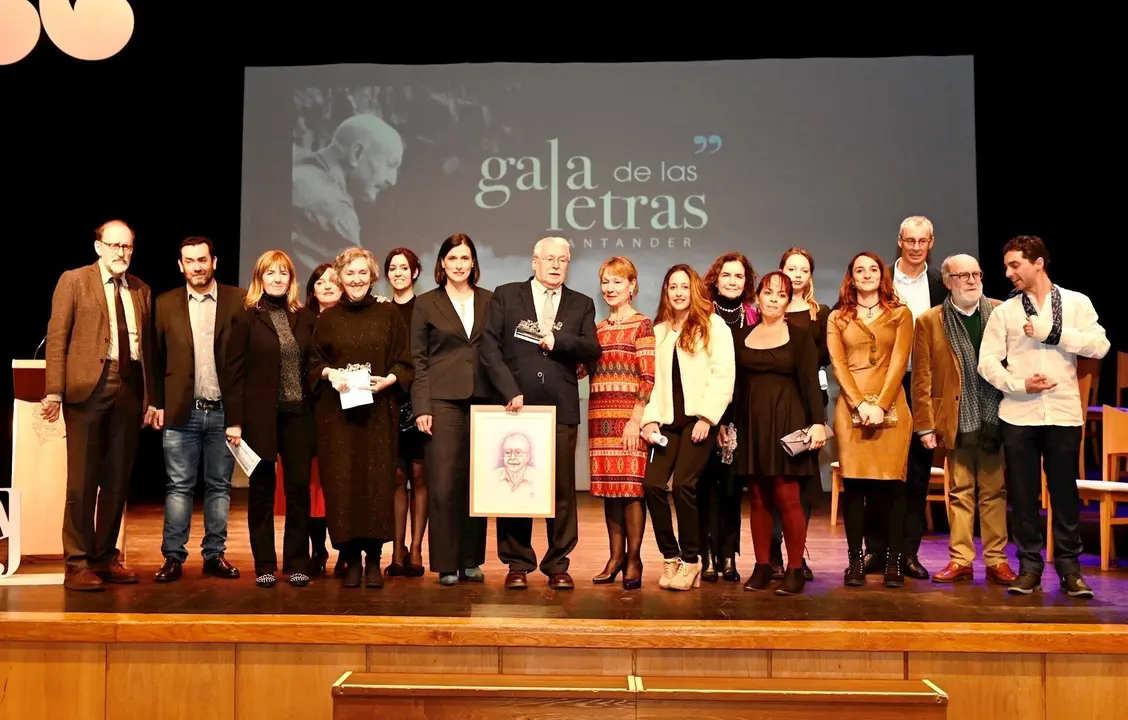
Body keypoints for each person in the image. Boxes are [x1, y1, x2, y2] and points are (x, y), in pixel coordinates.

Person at [978, 235, 1109, 598]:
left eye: (1015, 265)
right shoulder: (1005, 312)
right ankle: (1029, 568)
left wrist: (1055, 333)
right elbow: (987, 362)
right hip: (1019, 413)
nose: (1009, 273)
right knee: (1023, 495)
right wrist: (1019, 384)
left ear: (1038, 263)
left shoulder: (1076, 303)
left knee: (1064, 493)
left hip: (1063, 412)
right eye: (1006, 266)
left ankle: (1070, 570)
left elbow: (1100, 345)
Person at [480, 236, 602, 590]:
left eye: (562, 260)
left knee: (561, 489)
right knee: (515, 487)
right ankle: (517, 563)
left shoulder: (581, 303)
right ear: (535, 261)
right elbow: (490, 347)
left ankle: (558, 564)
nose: (555, 265)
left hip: (560, 409)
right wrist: (509, 390)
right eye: (549, 259)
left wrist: (558, 341)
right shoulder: (506, 295)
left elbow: (591, 348)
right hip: (516, 407)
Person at [42, 219, 154, 592]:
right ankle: (77, 563)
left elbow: (148, 350)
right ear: (98, 247)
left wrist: (150, 399)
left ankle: (105, 557)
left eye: (127, 246)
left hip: (130, 386)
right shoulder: (74, 281)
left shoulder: (140, 289)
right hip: (88, 389)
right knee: (82, 481)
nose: (121, 252)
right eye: (115, 245)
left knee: (117, 479)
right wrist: (54, 391)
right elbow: (57, 338)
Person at [309, 247, 414, 589]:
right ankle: (350, 557)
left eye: (362, 273)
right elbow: (314, 363)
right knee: (342, 485)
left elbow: (405, 361)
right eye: (350, 273)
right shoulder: (328, 319)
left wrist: (389, 380)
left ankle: (373, 558)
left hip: (378, 415)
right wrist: (331, 374)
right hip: (337, 418)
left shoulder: (388, 315)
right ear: (340, 277)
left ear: (372, 276)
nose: (356, 280)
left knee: (376, 485)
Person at [913, 253, 1016, 586]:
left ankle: (997, 560)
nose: (972, 281)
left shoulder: (1000, 312)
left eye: (976, 274)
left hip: (994, 416)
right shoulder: (930, 321)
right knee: (959, 491)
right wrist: (925, 425)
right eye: (963, 276)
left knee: (995, 492)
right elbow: (922, 377)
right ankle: (960, 559)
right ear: (947, 282)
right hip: (955, 418)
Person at [151, 236, 245, 583]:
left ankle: (214, 555)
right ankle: (173, 557)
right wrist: (156, 403)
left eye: (202, 259)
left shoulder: (239, 300)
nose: (197, 267)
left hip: (223, 412)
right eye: (189, 261)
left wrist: (240, 414)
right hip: (181, 412)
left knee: (219, 487)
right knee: (178, 486)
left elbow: (246, 361)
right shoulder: (164, 303)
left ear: (214, 262)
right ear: (180, 266)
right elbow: (155, 358)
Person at [224, 250, 316, 588]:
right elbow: (233, 372)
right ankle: (264, 564)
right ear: (259, 278)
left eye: (283, 273)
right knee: (262, 491)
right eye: (270, 273)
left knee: (298, 491)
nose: (277, 279)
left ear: (291, 280)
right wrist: (235, 420)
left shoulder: (304, 317)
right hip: (259, 418)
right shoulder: (246, 317)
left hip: (298, 417)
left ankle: (297, 563)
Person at [640, 264, 736, 591]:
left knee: (683, 485)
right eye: (673, 287)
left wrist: (707, 418)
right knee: (652, 484)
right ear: (666, 292)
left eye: (684, 286)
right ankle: (671, 556)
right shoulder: (658, 332)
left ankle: (692, 560)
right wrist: (650, 418)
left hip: (698, 423)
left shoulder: (713, 326)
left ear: (694, 290)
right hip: (667, 424)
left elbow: (723, 376)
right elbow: (652, 383)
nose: (679, 293)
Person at [735, 271, 826, 596]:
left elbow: (811, 384)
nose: (773, 299)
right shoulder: (742, 336)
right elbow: (737, 386)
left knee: (788, 497)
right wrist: (730, 426)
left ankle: (795, 569)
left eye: (781, 294)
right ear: (758, 296)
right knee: (758, 498)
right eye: (768, 292)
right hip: (753, 424)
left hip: (788, 423)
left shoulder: (799, 337)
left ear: (788, 301)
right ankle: (762, 566)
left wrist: (818, 422)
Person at [866, 216, 947, 581]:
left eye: (922, 241)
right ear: (899, 241)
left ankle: (908, 554)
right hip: (883, 384)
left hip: (922, 386)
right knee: (878, 471)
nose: (916, 247)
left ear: (931, 243)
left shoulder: (941, 283)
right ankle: (876, 551)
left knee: (916, 473)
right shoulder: (878, 277)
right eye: (909, 240)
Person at [827, 251, 914, 588]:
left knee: (893, 488)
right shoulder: (837, 318)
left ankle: (893, 562)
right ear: (851, 277)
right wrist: (861, 403)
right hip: (851, 410)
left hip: (892, 407)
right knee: (854, 488)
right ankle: (854, 562)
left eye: (873, 269)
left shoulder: (901, 314)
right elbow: (838, 366)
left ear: (882, 275)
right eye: (860, 270)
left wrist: (881, 404)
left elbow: (899, 362)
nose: (866, 275)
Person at [411, 234, 492, 586]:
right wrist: (422, 406)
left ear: (473, 263)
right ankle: (446, 563)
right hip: (441, 402)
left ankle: (471, 561)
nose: (459, 264)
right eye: (453, 258)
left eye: (465, 258)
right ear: (442, 263)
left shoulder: (490, 300)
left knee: (476, 483)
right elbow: (418, 360)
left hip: (484, 400)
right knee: (444, 484)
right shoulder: (426, 303)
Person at [578, 256, 655, 591]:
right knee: (611, 490)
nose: (610, 288)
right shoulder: (596, 330)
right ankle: (615, 558)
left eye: (617, 281)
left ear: (632, 285)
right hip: (600, 418)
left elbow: (648, 377)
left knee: (632, 489)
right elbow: (580, 370)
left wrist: (635, 421)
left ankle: (634, 559)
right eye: (605, 282)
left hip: (629, 420)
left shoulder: (643, 325)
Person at [773, 247, 831, 580]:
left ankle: (797, 554)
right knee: (772, 481)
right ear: (780, 271)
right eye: (791, 268)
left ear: (810, 276)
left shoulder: (819, 313)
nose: (796, 275)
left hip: (808, 404)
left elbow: (825, 355)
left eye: (803, 270)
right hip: (771, 403)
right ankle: (772, 555)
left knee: (801, 484)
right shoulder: (767, 310)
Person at [700, 252, 758, 583]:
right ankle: (708, 556)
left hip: (743, 415)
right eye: (727, 275)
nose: (733, 281)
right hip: (709, 414)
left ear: (746, 282)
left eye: (739, 276)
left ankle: (728, 556)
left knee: (733, 490)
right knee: (707, 487)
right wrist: (716, 418)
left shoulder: (754, 317)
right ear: (715, 279)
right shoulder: (703, 315)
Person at [291, 113, 404, 277]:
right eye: (389, 165)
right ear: (356, 154)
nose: (392, 180)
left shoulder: (295, 164)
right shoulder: (335, 210)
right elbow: (354, 286)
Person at [383, 247, 428, 578]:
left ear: (415, 272)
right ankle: (396, 551)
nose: (398, 273)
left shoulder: (426, 308)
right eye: (392, 268)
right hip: (390, 401)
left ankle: (416, 549)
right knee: (396, 478)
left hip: (421, 400)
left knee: (420, 476)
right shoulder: (381, 311)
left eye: (404, 268)